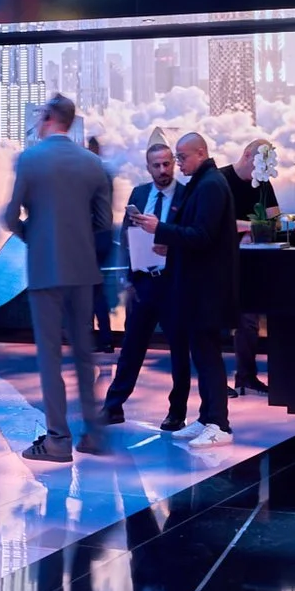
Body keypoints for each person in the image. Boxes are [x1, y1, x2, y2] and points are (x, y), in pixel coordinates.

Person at [5, 94, 113, 462]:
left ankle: (57, 440)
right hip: (83, 270)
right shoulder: (93, 164)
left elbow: (9, 216)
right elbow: (102, 223)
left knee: (50, 357)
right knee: (84, 355)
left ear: (49, 118)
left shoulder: (30, 159)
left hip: (45, 270)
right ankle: (94, 436)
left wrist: (32, 233)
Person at [133, 131, 238, 446]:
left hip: (206, 288)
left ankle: (219, 424)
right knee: (202, 354)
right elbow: (193, 235)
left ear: (201, 153)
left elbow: (203, 236)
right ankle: (207, 418)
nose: (177, 164)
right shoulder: (204, 184)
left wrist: (160, 229)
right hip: (197, 287)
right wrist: (171, 243)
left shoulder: (210, 186)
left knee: (208, 356)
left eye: (181, 157)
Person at [100, 141, 192, 428]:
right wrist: (127, 277)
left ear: (174, 163)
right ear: (148, 166)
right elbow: (127, 237)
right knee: (131, 346)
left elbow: (193, 236)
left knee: (179, 349)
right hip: (143, 282)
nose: (163, 170)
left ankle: (177, 412)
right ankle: (114, 406)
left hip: (174, 282)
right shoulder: (140, 193)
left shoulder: (187, 196)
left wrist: (173, 246)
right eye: (157, 165)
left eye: (167, 163)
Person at [222, 142, 281, 396]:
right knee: (217, 321)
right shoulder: (221, 180)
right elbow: (218, 221)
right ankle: (215, 381)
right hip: (220, 260)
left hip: (250, 261)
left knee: (250, 321)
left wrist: (260, 227)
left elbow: (275, 219)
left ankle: (246, 376)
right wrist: (253, 226)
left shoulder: (263, 183)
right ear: (247, 155)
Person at [85, 136, 116, 349]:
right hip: (103, 239)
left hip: (90, 239)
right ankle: (103, 338)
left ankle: (100, 339)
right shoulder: (105, 174)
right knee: (94, 288)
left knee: (91, 289)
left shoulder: (88, 177)